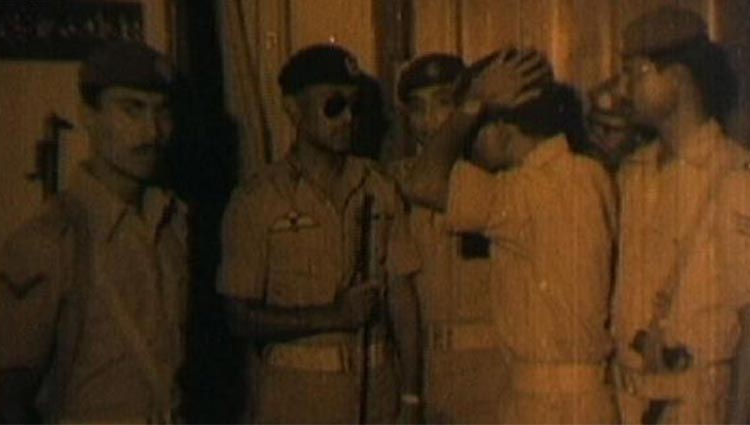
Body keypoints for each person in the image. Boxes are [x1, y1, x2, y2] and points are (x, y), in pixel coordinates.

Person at [398, 49, 618, 423]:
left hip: (551, 405)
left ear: (501, 126)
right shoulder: (587, 173)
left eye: (474, 130)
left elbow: (422, 183)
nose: (469, 147)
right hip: (571, 397)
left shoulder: (529, 191)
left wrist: (474, 102)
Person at [218, 44, 422, 424]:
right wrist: (333, 316)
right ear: (293, 109)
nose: (348, 119)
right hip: (299, 400)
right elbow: (238, 316)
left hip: (377, 396)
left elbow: (402, 296)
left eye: (355, 107)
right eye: (334, 106)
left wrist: (410, 398)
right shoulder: (257, 200)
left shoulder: (378, 187)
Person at [0, 41, 188, 423]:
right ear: (89, 116)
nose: (152, 131)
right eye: (131, 109)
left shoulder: (173, 225)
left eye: (162, 111)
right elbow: (10, 402)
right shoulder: (50, 238)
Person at [610, 5, 750, 423]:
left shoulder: (733, 173)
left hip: (699, 405)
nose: (623, 89)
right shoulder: (633, 174)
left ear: (677, 77)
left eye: (635, 73)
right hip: (631, 403)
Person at [391, 53, 508, 423]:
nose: (430, 120)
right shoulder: (395, 185)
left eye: (443, 103)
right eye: (417, 108)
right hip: (430, 372)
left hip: (496, 373)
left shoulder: (497, 179)